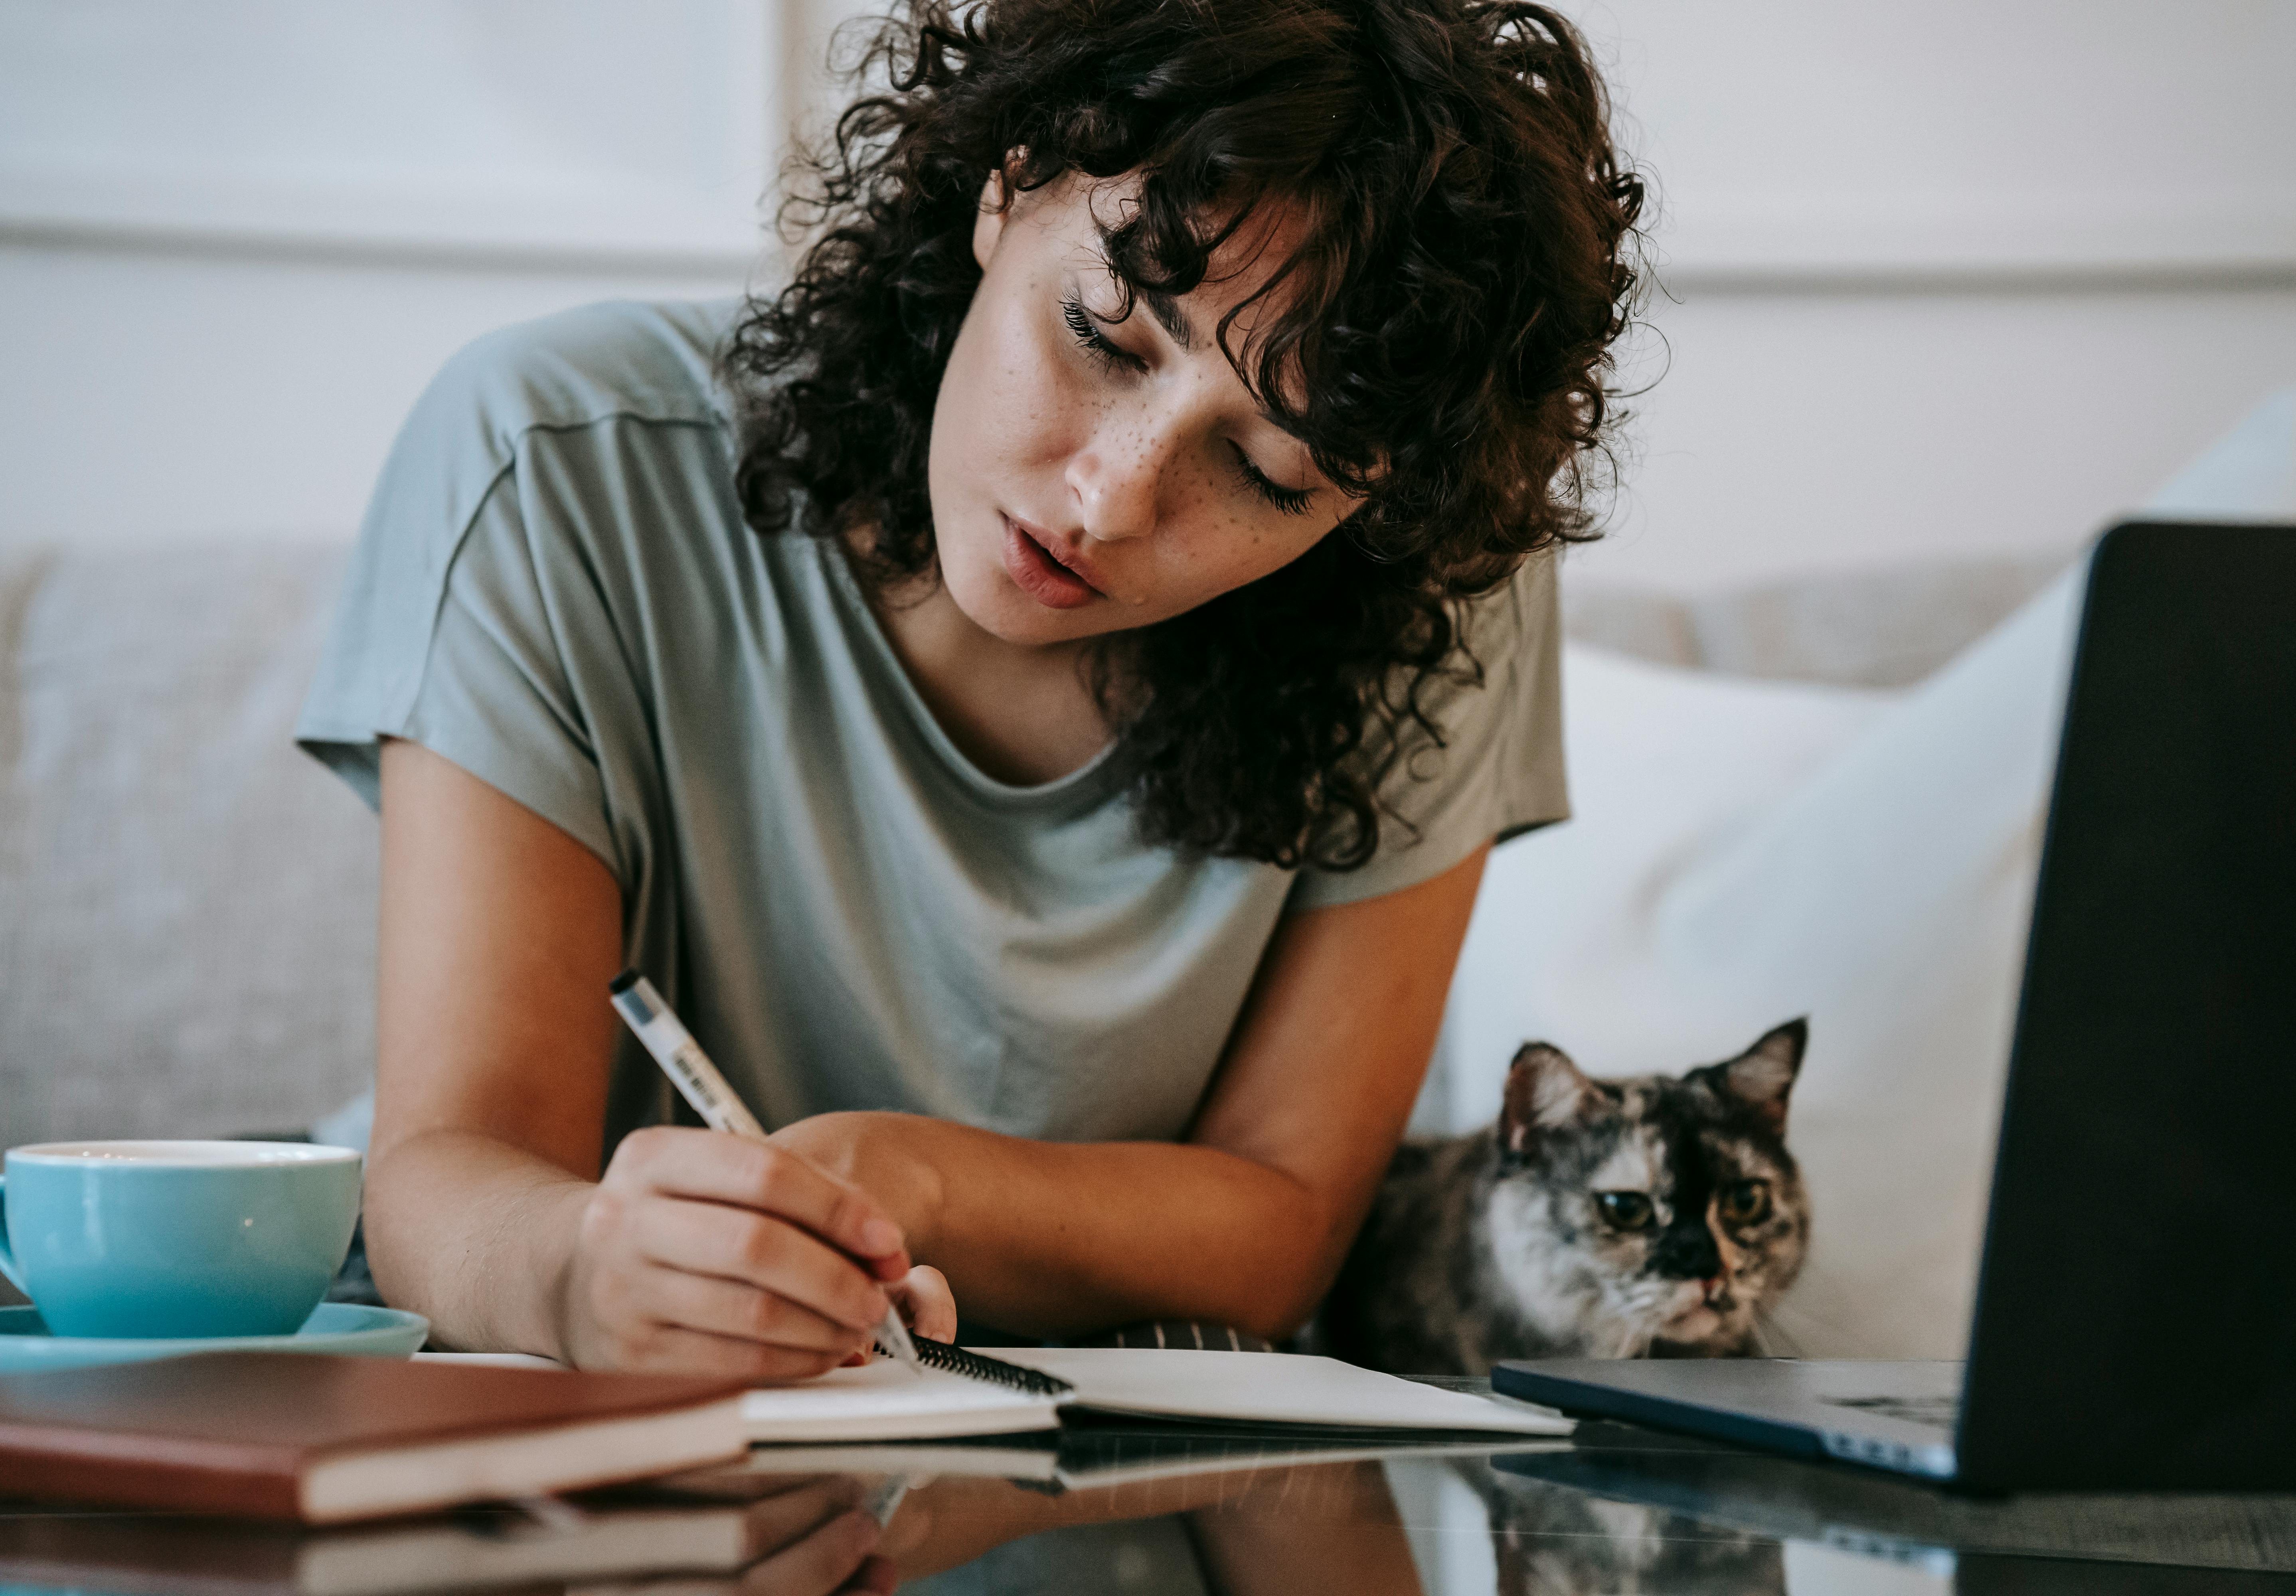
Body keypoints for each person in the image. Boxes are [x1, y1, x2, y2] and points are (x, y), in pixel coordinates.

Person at [296, 0, 1641, 1375]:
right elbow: (449, 1174)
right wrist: (588, 1275)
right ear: (1009, 180)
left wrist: (905, 1178)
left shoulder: (1431, 603)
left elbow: (1284, 1219)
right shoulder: (557, 459)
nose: (1110, 499)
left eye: (1267, 473)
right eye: (1103, 336)